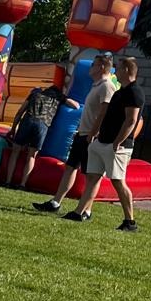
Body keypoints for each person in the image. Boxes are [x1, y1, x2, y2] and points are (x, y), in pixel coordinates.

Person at [66, 54, 145, 230]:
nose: (115, 70)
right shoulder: (119, 92)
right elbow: (109, 117)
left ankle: (129, 221)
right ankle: (79, 212)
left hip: (118, 146)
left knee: (118, 180)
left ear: (126, 70)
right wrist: (97, 134)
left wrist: (118, 142)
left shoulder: (134, 92)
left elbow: (131, 121)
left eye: (119, 67)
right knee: (92, 177)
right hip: (101, 141)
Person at [33, 52, 115, 213]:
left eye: (93, 65)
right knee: (70, 167)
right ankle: (56, 202)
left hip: (92, 137)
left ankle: (86, 210)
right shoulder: (96, 85)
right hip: (82, 134)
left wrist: (93, 134)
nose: (90, 68)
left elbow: (105, 114)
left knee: (92, 175)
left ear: (102, 67)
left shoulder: (107, 86)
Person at [2, 76, 78, 187]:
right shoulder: (58, 97)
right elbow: (75, 106)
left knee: (15, 152)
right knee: (32, 156)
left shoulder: (35, 94)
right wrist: (64, 98)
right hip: (43, 124)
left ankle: (8, 181)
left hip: (28, 119)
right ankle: (22, 184)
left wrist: (13, 129)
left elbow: (20, 112)